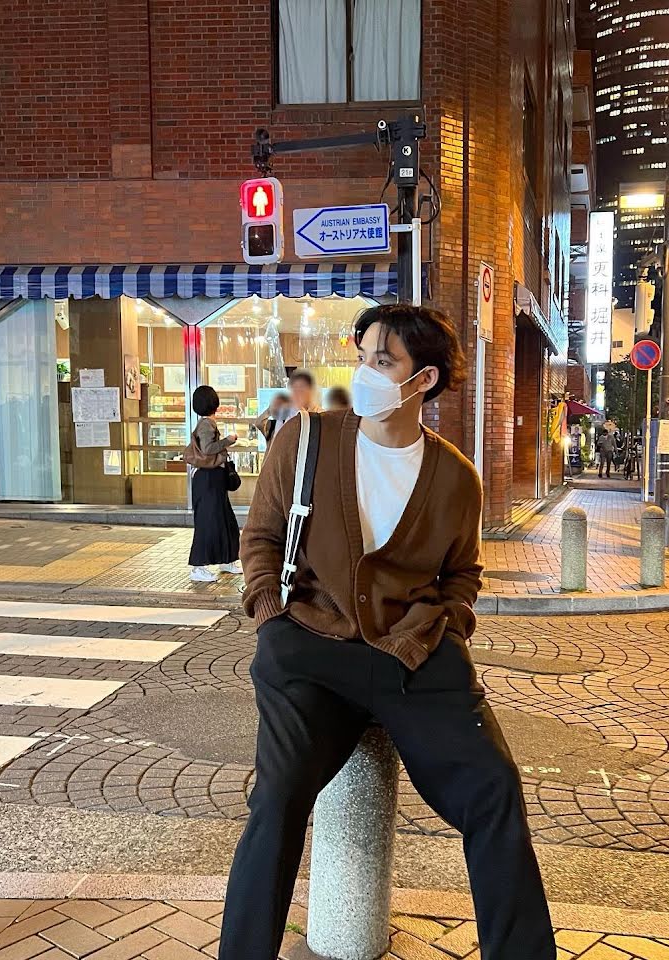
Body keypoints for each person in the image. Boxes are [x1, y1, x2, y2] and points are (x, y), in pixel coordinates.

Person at [221, 303, 555, 960]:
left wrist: (449, 627)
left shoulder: (455, 477)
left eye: (383, 361)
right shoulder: (307, 440)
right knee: (278, 796)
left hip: (413, 656)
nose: (364, 373)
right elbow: (260, 536)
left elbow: (463, 574)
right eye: (362, 357)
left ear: (423, 380)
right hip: (309, 647)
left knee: (493, 787)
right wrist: (270, 616)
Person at [188, 385, 241, 583]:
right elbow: (208, 449)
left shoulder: (207, 423)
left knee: (225, 522)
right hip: (208, 480)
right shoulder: (206, 424)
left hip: (212, 480)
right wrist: (228, 440)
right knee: (208, 524)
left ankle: (227, 560)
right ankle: (198, 567)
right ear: (214, 403)